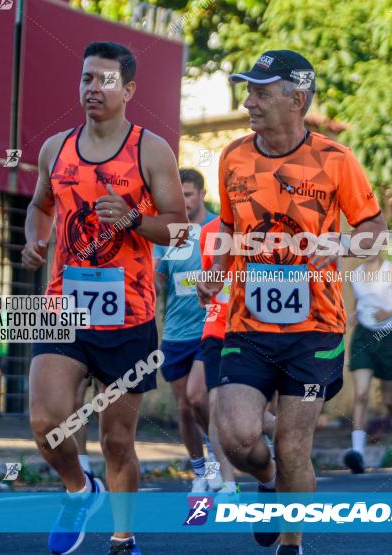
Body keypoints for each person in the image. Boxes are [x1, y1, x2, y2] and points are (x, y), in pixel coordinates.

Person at [197, 49, 388, 555]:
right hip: (248, 323)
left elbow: (376, 233)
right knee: (238, 439)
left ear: (296, 99)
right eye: (249, 91)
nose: (249, 102)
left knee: (293, 444)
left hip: (315, 327)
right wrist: (214, 275)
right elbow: (231, 228)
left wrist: (342, 244)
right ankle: (266, 481)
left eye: (261, 93)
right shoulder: (233, 155)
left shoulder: (335, 160)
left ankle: (291, 542)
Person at [22, 41, 187, 555]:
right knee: (46, 421)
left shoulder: (151, 150)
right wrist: (36, 237)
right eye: (86, 78)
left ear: (129, 89)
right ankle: (78, 491)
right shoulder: (56, 148)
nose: (93, 88)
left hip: (129, 315)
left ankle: (122, 537)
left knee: (117, 441)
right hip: (63, 308)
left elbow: (180, 231)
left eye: (105, 80)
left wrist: (135, 219)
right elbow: (39, 204)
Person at [153, 168, 219, 493]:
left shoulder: (219, 228)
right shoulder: (172, 233)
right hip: (175, 333)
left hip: (211, 330)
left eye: (189, 194)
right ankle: (199, 470)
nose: (184, 200)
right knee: (185, 406)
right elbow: (158, 280)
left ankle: (219, 462)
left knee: (199, 397)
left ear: (202, 194)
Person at [342, 253, 392, 474]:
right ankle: (357, 453)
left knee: (389, 399)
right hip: (363, 336)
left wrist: (389, 312)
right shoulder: (356, 274)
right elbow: (360, 302)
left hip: (387, 336)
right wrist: (353, 315)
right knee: (361, 394)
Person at [198, 215, 240, 494]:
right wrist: (203, 290)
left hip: (253, 330)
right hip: (216, 328)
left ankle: (276, 443)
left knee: (256, 411)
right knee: (214, 405)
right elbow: (207, 280)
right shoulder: (208, 233)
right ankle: (228, 483)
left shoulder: (266, 228)